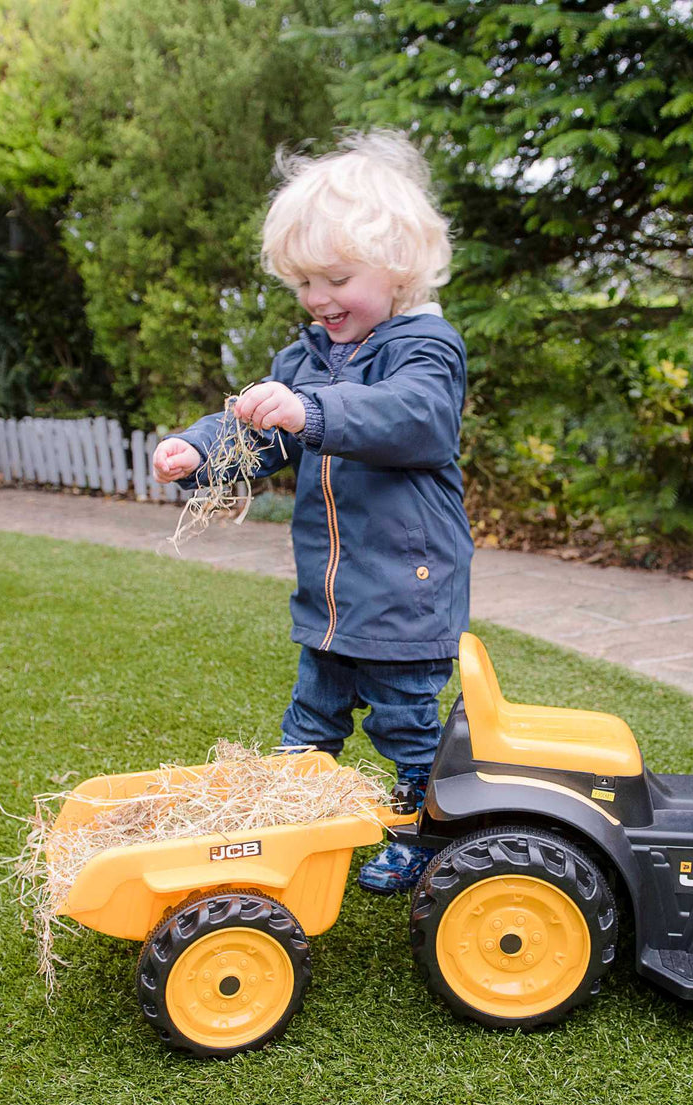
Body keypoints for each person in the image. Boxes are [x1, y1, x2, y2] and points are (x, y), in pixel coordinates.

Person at [153, 130, 471, 894]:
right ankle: (292, 818)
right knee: (309, 720)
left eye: (336, 277)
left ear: (399, 267)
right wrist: (200, 451)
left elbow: (414, 418)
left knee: (404, 724)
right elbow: (254, 434)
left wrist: (311, 410)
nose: (319, 298)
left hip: (406, 591)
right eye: (303, 283)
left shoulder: (425, 348)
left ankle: (429, 833)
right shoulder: (306, 358)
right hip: (329, 597)